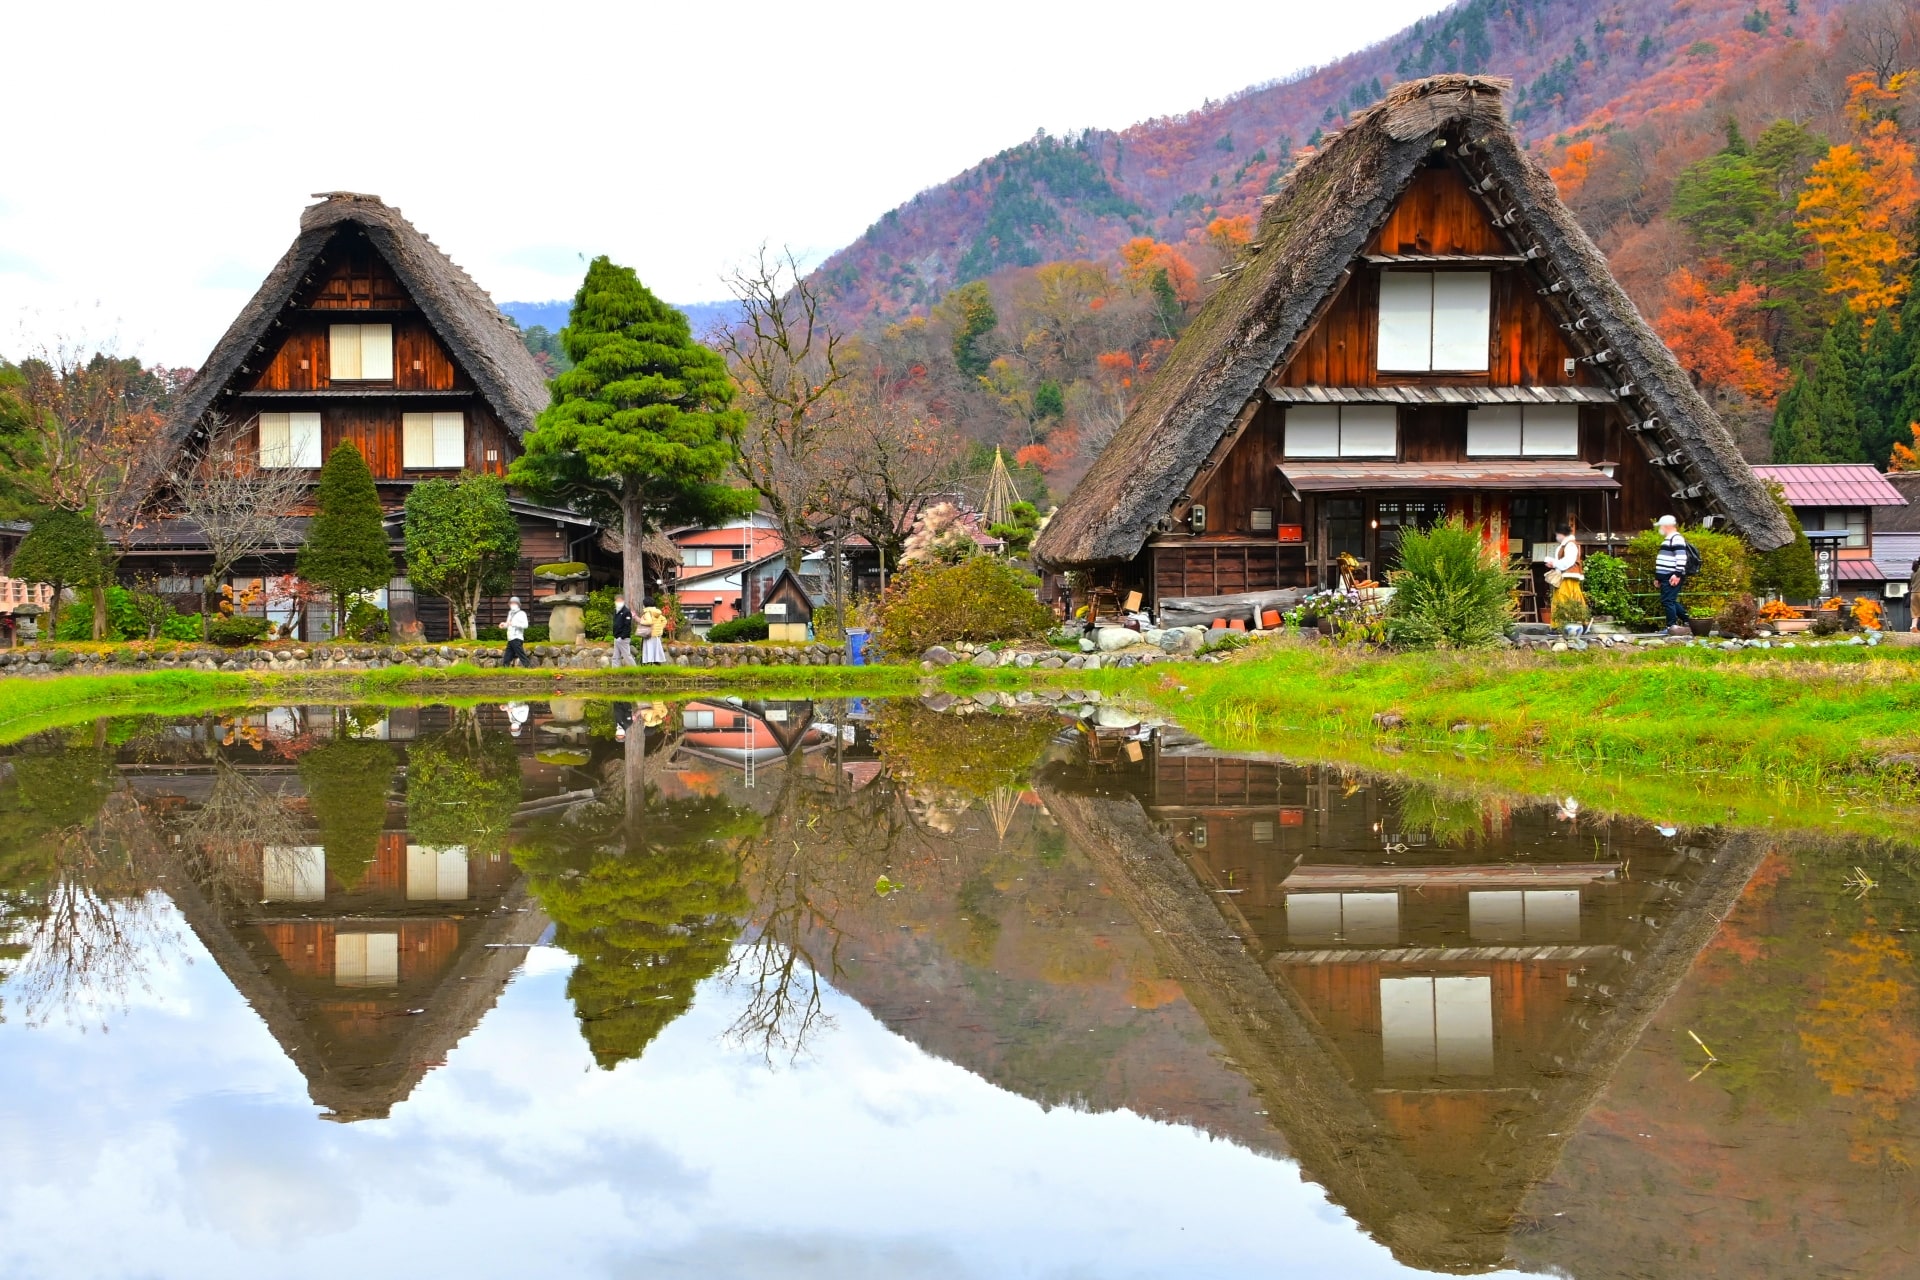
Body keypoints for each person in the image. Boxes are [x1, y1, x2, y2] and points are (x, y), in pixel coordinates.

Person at [1654, 515, 1692, 631]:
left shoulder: (1676, 538)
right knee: (1669, 600)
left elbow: (1681, 557)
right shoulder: (1669, 538)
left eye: (1661, 525)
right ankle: (1688, 620)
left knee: (1668, 601)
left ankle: (1671, 626)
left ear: (1667, 526)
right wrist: (1658, 578)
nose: (1660, 528)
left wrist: (1677, 574)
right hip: (1666, 576)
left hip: (1671, 575)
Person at [1547, 523, 1586, 624]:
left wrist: (1555, 563)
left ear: (1561, 534)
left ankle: (1562, 624)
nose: (1556, 537)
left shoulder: (1570, 544)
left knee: (1563, 599)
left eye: (1556, 535)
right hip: (1566, 575)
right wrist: (1554, 564)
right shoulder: (1567, 544)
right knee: (1571, 598)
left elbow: (1569, 561)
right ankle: (1579, 622)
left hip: (1569, 575)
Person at [502, 595, 529, 667]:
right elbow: (508, 624)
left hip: (517, 638)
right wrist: (504, 625)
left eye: (514, 603)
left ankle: (527, 666)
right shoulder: (510, 613)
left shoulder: (522, 613)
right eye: (511, 603)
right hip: (510, 638)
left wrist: (514, 624)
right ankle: (505, 667)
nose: (512, 605)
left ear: (518, 604)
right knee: (508, 655)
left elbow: (525, 625)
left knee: (520, 654)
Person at [610, 594, 635, 666]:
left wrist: (622, 636)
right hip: (616, 637)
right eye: (617, 601)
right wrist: (615, 635)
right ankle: (615, 671)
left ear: (623, 601)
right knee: (615, 656)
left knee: (627, 655)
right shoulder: (616, 611)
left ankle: (635, 670)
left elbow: (627, 626)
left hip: (623, 638)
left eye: (620, 601)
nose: (618, 602)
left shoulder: (626, 612)